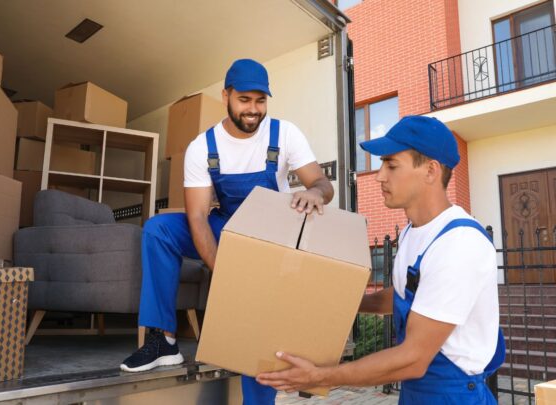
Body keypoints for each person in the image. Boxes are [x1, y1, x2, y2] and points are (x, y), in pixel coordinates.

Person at [120, 58, 334, 405]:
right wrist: (226, 274)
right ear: (226, 96)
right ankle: (163, 341)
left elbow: (324, 184)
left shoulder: (285, 134)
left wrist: (314, 192)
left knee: (258, 326)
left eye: (260, 101)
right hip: (225, 226)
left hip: (269, 238)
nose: (253, 110)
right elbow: (198, 218)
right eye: (244, 100)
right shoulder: (202, 147)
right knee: (158, 229)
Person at [256, 115, 505, 404]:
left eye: (391, 165)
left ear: (430, 171)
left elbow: (413, 359)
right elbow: (406, 296)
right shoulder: (415, 231)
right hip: (417, 392)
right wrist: (349, 305)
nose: (379, 176)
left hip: (453, 394)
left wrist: (320, 376)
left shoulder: (459, 244)